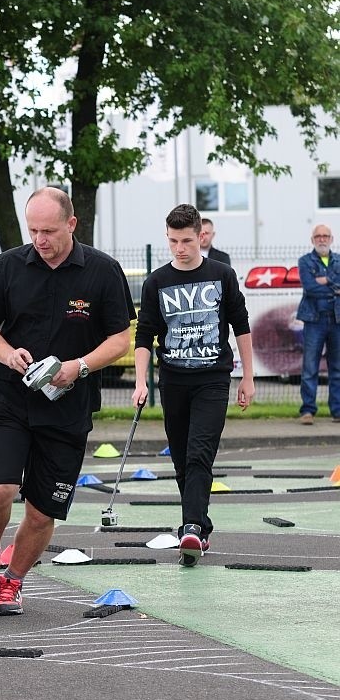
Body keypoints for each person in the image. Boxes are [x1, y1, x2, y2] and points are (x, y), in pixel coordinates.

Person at [0, 186, 135, 615]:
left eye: (49, 231)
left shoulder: (102, 271)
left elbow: (120, 339)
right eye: (33, 230)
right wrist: (8, 354)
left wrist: (79, 367)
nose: (40, 239)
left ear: (71, 224)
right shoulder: (8, 266)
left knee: (41, 513)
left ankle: (13, 582)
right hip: (10, 397)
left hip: (68, 407)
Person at [133, 204, 254, 567]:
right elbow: (144, 335)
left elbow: (241, 325)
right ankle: (202, 525)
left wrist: (247, 376)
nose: (179, 248)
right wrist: (141, 381)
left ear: (201, 236)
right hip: (173, 379)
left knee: (200, 452)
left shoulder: (222, 274)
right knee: (183, 461)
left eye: (186, 240)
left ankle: (191, 527)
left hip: (213, 378)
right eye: (172, 241)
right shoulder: (156, 281)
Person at [296, 224, 340, 425]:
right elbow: (310, 287)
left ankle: (337, 411)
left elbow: (319, 285)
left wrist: (325, 280)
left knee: (337, 367)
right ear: (312, 239)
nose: (322, 239)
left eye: (325, 236)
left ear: (331, 239)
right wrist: (334, 287)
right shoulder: (305, 261)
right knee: (310, 367)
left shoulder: (339, 260)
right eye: (318, 236)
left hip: (336, 319)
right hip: (314, 320)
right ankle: (308, 410)